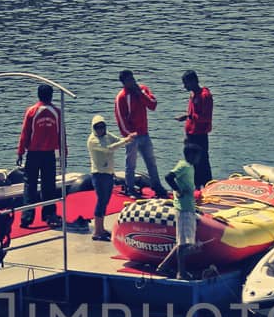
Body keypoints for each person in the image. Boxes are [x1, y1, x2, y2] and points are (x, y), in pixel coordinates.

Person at [114, 69, 170, 199]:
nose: (132, 81)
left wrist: (140, 94)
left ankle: (157, 186)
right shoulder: (121, 97)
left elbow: (153, 105)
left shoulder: (142, 89)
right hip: (131, 136)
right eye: (129, 80)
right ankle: (130, 188)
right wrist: (128, 135)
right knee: (131, 164)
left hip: (144, 133)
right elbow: (120, 119)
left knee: (151, 161)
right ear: (124, 83)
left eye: (132, 78)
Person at [16, 83, 64, 229]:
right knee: (49, 185)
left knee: (30, 185)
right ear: (51, 96)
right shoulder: (57, 112)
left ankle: (27, 218)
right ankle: (49, 215)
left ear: (38, 95)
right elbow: (62, 134)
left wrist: (20, 152)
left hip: (33, 154)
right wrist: (63, 154)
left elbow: (25, 133)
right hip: (49, 154)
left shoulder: (31, 111)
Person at [86, 114, 131, 241]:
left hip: (109, 173)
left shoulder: (107, 135)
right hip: (99, 174)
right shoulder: (92, 140)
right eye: (97, 127)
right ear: (93, 128)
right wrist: (126, 140)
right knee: (101, 201)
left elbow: (117, 140)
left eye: (102, 126)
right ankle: (97, 231)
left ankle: (101, 228)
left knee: (106, 201)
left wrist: (128, 138)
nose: (100, 129)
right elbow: (109, 149)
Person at [157, 154, 198, 278]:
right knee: (182, 243)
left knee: (184, 242)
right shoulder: (183, 166)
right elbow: (168, 177)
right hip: (183, 208)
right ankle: (181, 272)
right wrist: (178, 190)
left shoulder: (190, 166)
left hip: (189, 207)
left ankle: (164, 266)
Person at [177, 70, 214, 189]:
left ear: (193, 81)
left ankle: (208, 186)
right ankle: (196, 188)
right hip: (191, 134)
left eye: (186, 83)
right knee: (192, 163)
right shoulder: (193, 94)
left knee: (202, 162)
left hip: (200, 135)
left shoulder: (205, 96)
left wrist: (188, 116)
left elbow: (205, 117)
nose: (185, 86)